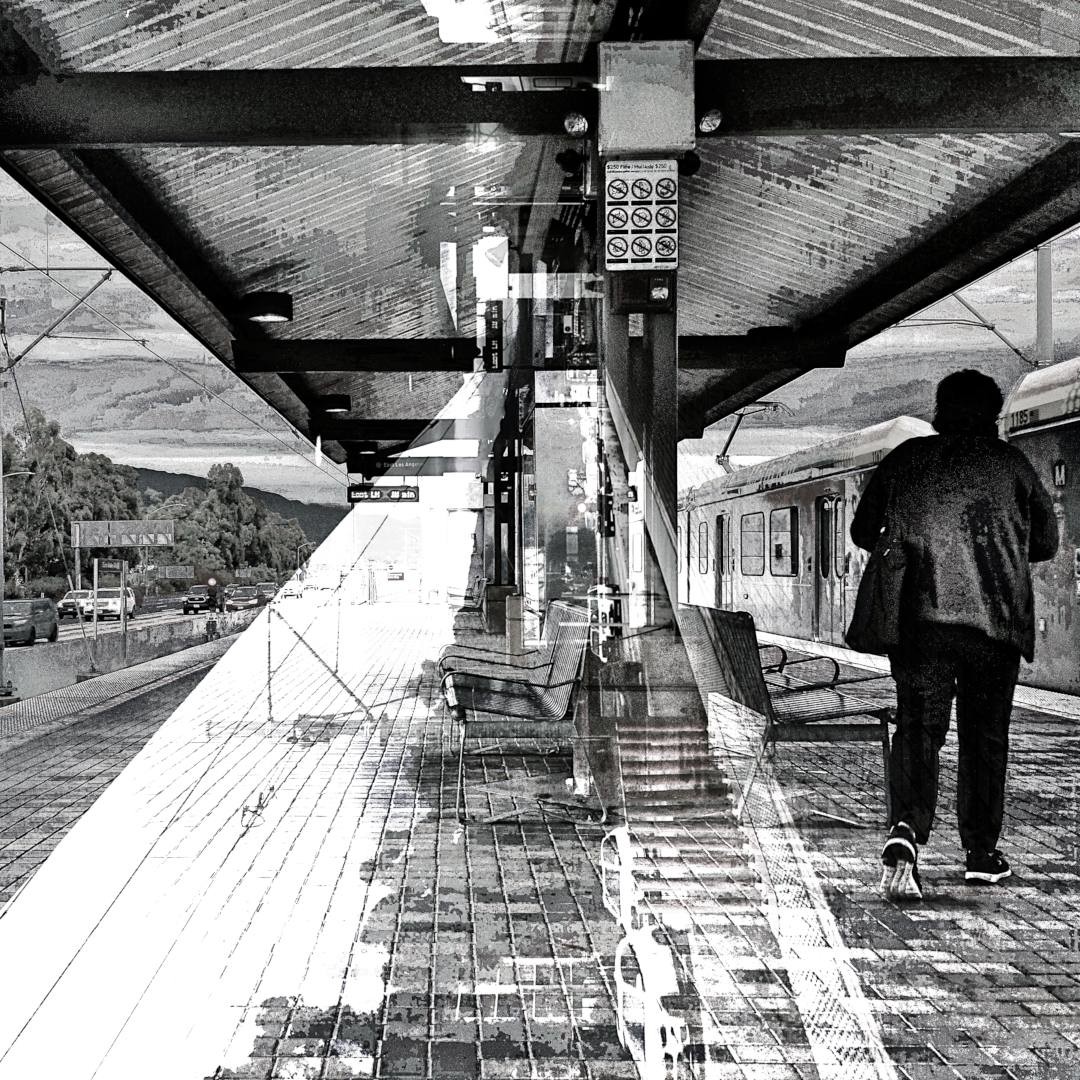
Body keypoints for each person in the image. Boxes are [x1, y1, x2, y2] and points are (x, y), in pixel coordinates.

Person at [851, 370, 1059, 901]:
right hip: (996, 626)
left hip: (920, 625)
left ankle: (907, 826)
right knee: (985, 737)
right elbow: (1046, 543)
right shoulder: (1012, 464)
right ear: (992, 415)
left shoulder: (906, 458)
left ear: (940, 410)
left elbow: (861, 530)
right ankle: (981, 855)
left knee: (919, 730)